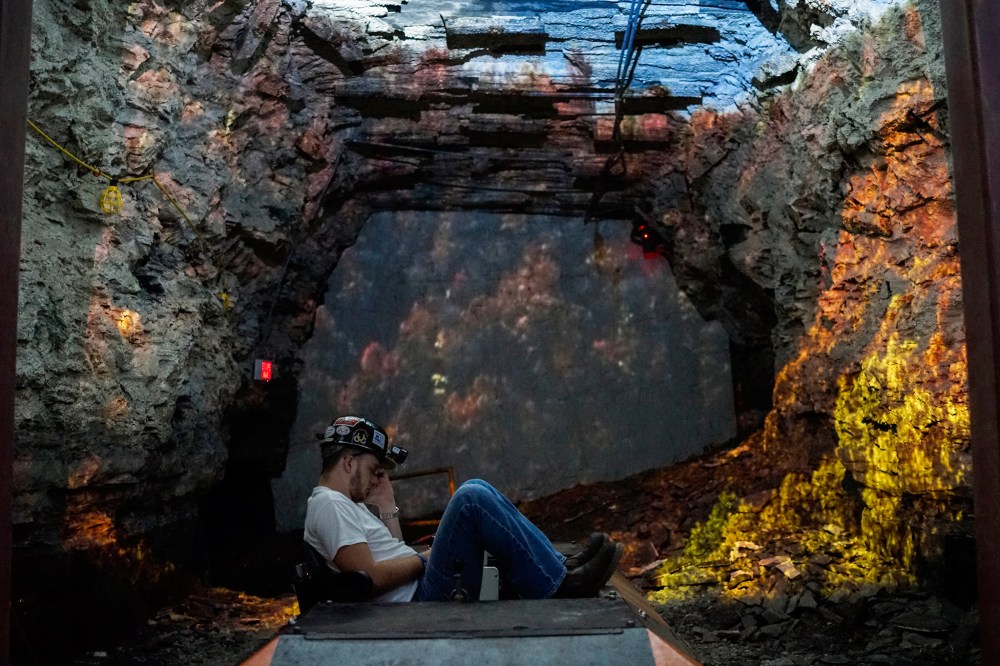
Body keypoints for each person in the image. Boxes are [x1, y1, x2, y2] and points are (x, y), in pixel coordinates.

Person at [303, 415, 622, 602]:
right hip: (421, 599)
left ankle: (558, 567)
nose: (376, 478)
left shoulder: (345, 504)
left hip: (418, 587)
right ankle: (559, 587)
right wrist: (424, 558)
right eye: (373, 470)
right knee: (470, 498)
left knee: (478, 488)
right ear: (349, 463)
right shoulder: (329, 504)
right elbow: (368, 578)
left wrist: (386, 505)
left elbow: (393, 554)